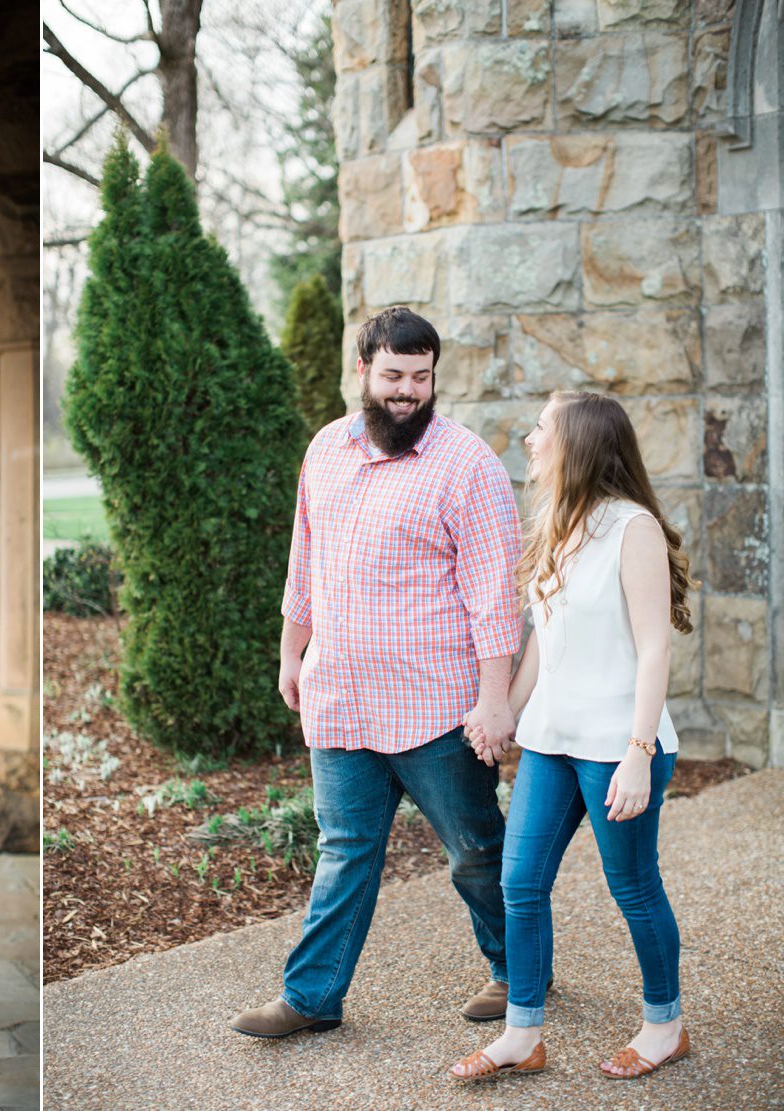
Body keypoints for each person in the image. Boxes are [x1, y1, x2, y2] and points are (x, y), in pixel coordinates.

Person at [230, 306, 524, 1039]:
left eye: (420, 379)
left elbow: (495, 599)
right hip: (342, 701)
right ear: (363, 370)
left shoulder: (469, 465)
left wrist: (496, 702)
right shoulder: (326, 449)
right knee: (344, 851)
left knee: (476, 851)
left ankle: (521, 970)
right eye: (393, 376)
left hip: (437, 711)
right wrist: (289, 651)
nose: (407, 393)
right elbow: (307, 562)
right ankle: (311, 996)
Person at [449, 391, 694, 1082]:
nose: (529, 438)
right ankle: (522, 1034)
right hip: (553, 741)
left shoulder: (632, 528)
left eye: (541, 429)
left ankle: (664, 1024)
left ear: (578, 444)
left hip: (621, 744)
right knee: (521, 881)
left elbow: (654, 650)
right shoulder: (559, 521)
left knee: (634, 886)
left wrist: (640, 753)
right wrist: (501, 708)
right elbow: (542, 643)